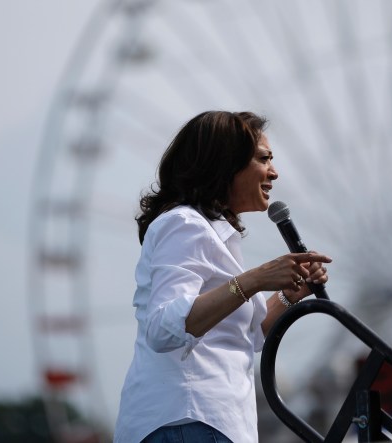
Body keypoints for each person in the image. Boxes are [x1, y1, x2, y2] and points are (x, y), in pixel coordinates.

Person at [114, 111, 332, 443]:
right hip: (188, 420)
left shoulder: (215, 235)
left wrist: (290, 294)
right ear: (225, 164)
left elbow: (246, 334)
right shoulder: (184, 225)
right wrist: (255, 279)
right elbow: (162, 326)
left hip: (207, 422)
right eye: (263, 159)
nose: (274, 172)